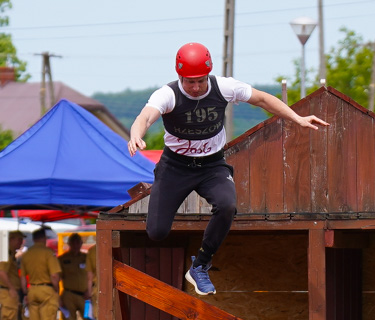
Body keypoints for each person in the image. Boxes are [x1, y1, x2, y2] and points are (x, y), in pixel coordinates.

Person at [128, 42, 328, 296]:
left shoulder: (224, 87)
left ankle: (200, 266)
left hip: (212, 165)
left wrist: (297, 118)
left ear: (208, 74)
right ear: (180, 77)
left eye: (201, 81)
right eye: (190, 82)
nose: (196, 87)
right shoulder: (167, 94)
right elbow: (145, 117)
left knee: (227, 205)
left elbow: (262, 99)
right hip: (175, 167)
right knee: (156, 232)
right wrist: (136, 134)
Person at [20, 228, 61, 320]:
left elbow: (22, 277)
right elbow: (54, 275)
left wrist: (26, 292)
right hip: (46, 289)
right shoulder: (48, 253)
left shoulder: (26, 255)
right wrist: (56, 289)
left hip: (32, 289)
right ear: (43, 238)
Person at [58, 233, 96, 320]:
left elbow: (93, 275)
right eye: (73, 243)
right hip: (69, 294)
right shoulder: (63, 259)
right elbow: (57, 278)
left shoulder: (86, 258)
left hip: (85, 295)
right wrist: (59, 298)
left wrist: (90, 291)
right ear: (69, 244)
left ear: (80, 244)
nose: (76, 245)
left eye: (78, 242)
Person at [85, 243, 98, 320]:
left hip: (97, 289)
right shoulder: (114, 245)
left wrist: (89, 294)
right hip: (117, 285)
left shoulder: (93, 251)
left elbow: (89, 277)